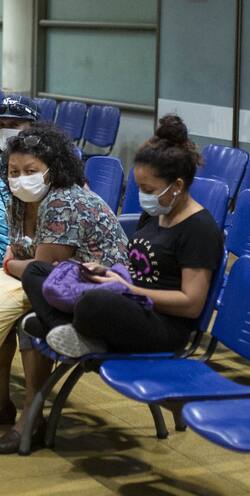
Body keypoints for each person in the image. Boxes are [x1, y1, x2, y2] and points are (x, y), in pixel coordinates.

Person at [21, 113, 223, 362]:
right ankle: (70, 332)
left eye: (149, 189)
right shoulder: (157, 212)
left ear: (178, 186)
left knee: (94, 302)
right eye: (139, 187)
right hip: (129, 301)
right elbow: (137, 268)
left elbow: (191, 304)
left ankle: (60, 325)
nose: (143, 196)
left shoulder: (199, 230)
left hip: (162, 323)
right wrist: (104, 272)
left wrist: (129, 289)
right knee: (36, 271)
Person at [0, 123, 128, 453]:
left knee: (26, 317)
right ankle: (1, 404)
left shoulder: (64, 202)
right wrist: (17, 263)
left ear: (53, 169)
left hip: (101, 297)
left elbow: (41, 269)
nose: (20, 178)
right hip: (58, 285)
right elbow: (28, 258)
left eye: (31, 171)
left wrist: (10, 265)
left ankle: (31, 418)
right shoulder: (18, 199)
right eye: (14, 171)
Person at [0, 98, 40, 256]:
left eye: (13, 125)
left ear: (33, 128)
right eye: (1, 125)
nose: (5, 130)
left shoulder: (51, 162)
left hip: (27, 249)